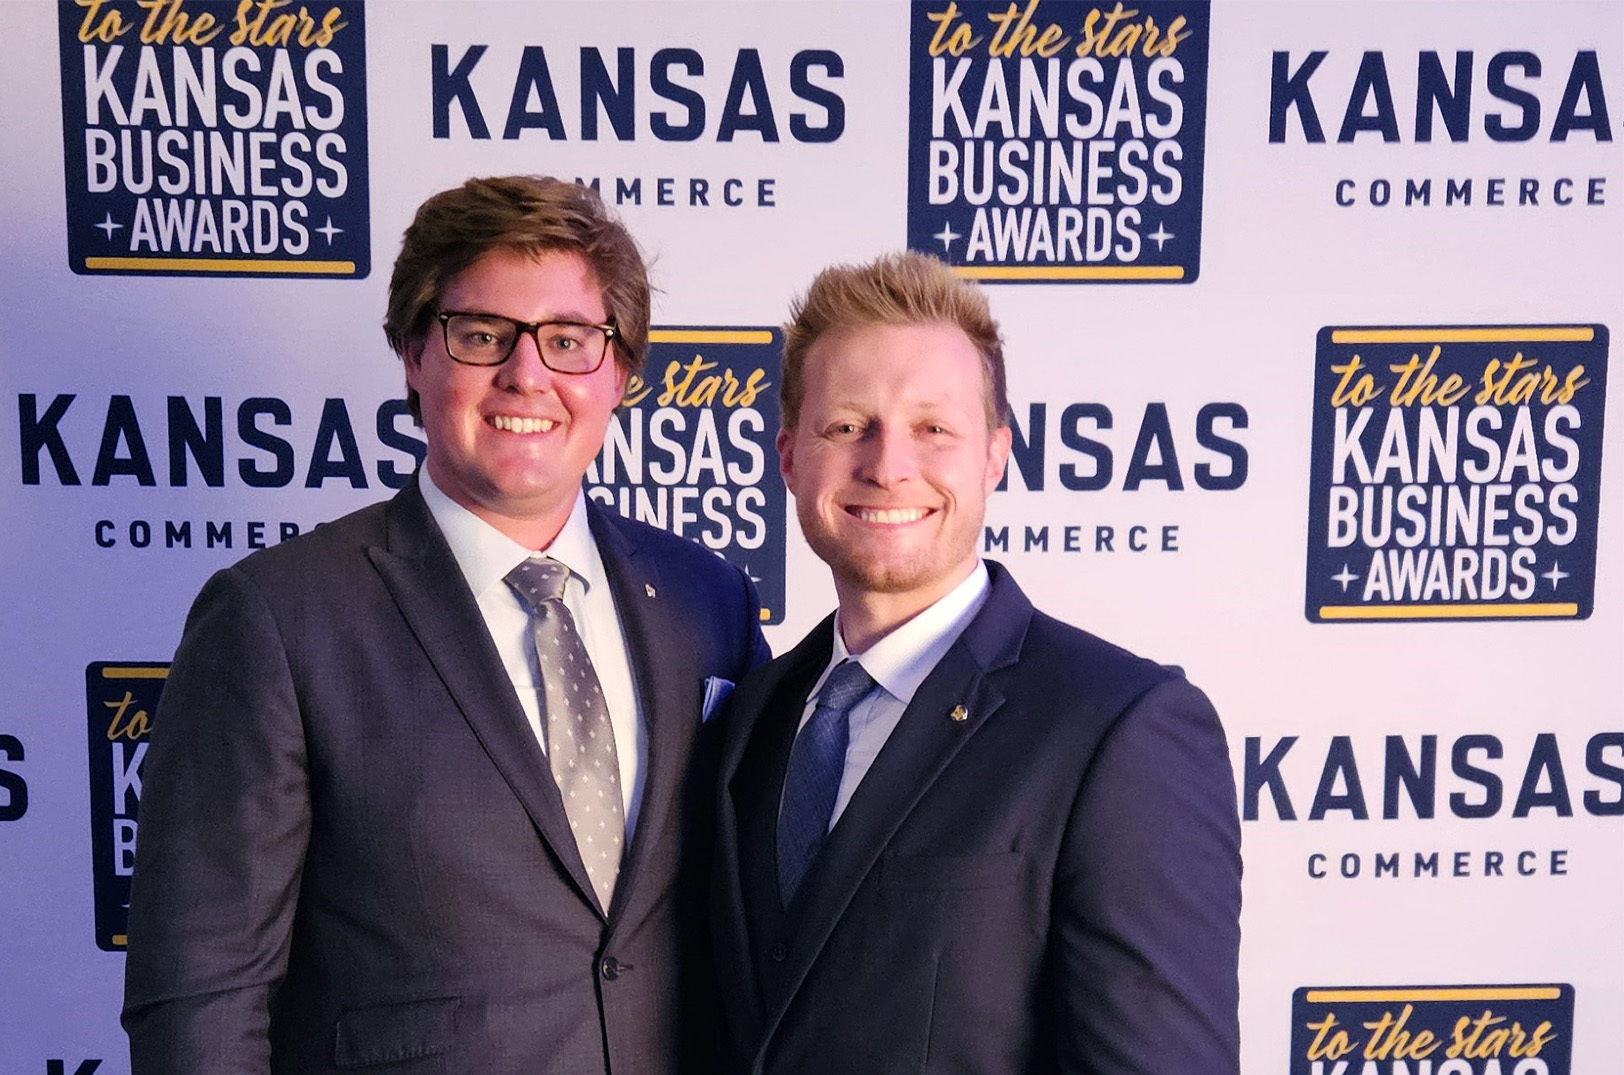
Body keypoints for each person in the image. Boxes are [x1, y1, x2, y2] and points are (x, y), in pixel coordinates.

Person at [123, 175, 769, 1075]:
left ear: (620, 372)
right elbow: (200, 995)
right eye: (481, 335)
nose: (526, 374)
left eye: (569, 340)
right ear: (415, 354)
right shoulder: (275, 619)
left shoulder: (712, 603)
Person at [711, 251, 1241, 1074]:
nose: (887, 465)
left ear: (994, 454)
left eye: (933, 428)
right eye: (847, 425)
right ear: (788, 456)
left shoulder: (1120, 729)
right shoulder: (755, 715)